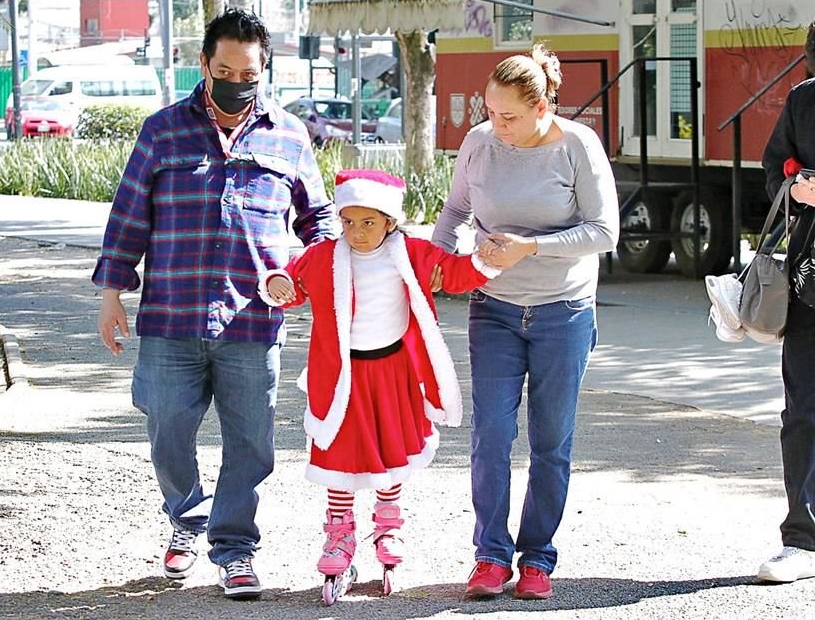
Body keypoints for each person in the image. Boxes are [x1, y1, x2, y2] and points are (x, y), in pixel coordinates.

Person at [92, 8, 337, 600]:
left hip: (254, 320)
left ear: (265, 70)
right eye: (223, 69)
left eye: (247, 73)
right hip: (171, 316)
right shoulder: (163, 131)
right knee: (167, 429)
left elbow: (318, 220)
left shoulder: (289, 135)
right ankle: (187, 519)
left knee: (251, 444)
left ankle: (234, 550)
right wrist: (111, 295)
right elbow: (129, 216)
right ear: (203, 64)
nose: (235, 82)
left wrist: (329, 272)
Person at [431, 43, 618, 600]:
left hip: (565, 312)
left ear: (544, 106)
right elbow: (455, 212)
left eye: (509, 115)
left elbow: (604, 233)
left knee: (550, 442)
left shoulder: (578, 146)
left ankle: (537, 558)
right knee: (490, 434)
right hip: (494, 311)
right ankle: (489, 556)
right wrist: (435, 266)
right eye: (490, 112)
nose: (497, 125)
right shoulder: (480, 143)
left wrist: (530, 247)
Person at [258, 169, 500, 597]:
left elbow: (458, 274)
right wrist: (276, 282)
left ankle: (388, 528)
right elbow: (293, 284)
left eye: (368, 222)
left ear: (390, 220)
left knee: (391, 450)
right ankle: (340, 534)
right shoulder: (324, 256)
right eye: (347, 222)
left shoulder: (412, 253)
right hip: (340, 377)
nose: (356, 232)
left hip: (393, 373)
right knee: (339, 454)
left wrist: (488, 260)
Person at [756, 20, 815, 584]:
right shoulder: (803, 102)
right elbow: (774, 171)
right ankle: (802, 539)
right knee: (804, 414)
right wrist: (794, 189)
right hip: (809, 284)